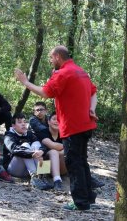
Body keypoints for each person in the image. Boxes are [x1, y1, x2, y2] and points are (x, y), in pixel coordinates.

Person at [15, 45, 98, 210]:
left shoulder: (63, 73)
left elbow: (45, 92)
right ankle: (88, 198)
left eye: (51, 58)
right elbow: (93, 92)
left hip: (73, 126)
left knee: (74, 162)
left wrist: (25, 82)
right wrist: (92, 108)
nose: (50, 61)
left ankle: (80, 202)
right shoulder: (80, 71)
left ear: (58, 57)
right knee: (81, 161)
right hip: (86, 124)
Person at [3, 113, 52, 190]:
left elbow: (42, 145)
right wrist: (32, 154)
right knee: (25, 145)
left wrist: (41, 151)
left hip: (27, 169)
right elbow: (14, 149)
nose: (23, 124)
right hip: (13, 169)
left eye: (24, 122)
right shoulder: (9, 136)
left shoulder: (29, 134)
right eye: (19, 122)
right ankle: (34, 177)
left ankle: (42, 176)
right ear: (13, 126)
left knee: (36, 144)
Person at [35, 112, 66, 191]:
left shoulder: (64, 134)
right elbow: (51, 145)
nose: (56, 121)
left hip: (60, 167)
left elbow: (70, 149)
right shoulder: (43, 132)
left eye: (59, 120)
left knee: (70, 154)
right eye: (54, 119)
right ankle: (57, 180)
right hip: (44, 167)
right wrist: (62, 149)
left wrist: (61, 151)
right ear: (48, 122)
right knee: (53, 152)